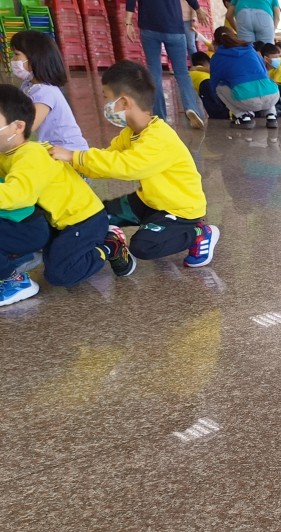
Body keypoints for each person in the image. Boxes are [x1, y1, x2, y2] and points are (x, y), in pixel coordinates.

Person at [50, 61, 220, 270]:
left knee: (144, 247)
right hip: (149, 200)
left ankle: (198, 233)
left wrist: (75, 156)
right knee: (98, 216)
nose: (105, 104)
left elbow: (127, 166)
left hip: (180, 209)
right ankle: (126, 237)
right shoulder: (131, 133)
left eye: (106, 97)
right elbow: (107, 158)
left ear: (124, 102)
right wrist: (71, 165)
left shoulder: (158, 138)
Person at [0, 85, 131, 306]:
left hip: (82, 220)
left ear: (18, 127)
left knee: (61, 274)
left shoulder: (30, 155)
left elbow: (19, 195)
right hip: (56, 222)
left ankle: (110, 245)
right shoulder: (6, 153)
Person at [125, 0, 209, 129]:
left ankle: (159, 116)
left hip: (149, 28)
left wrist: (128, 22)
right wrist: (198, 9)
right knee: (182, 73)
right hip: (174, 27)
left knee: (154, 73)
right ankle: (191, 107)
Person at [8, 31, 88, 152]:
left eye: (16, 54)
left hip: (68, 152)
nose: (13, 59)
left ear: (35, 58)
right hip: (52, 150)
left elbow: (24, 130)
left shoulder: (45, 92)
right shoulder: (28, 85)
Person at [209, 26, 280, 128]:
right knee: (264, 83)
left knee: (218, 87)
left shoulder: (218, 57)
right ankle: (271, 116)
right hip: (273, 96)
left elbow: (214, 81)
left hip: (247, 100)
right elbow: (264, 72)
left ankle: (243, 117)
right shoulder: (250, 49)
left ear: (214, 42)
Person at [261, 42, 281, 115]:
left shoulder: (279, 69)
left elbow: (276, 84)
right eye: (274, 58)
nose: (278, 60)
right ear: (266, 59)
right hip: (270, 91)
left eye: (278, 57)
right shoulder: (262, 70)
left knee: (276, 89)